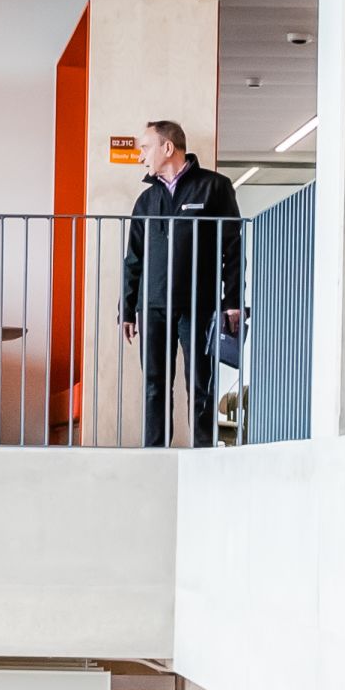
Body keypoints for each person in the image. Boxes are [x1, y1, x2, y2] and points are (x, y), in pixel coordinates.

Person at [116, 119, 243, 449]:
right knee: (154, 384)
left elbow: (233, 247)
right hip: (153, 305)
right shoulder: (145, 201)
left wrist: (231, 300)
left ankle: (203, 454)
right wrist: (127, 309)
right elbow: (134, 259)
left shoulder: (215, 188)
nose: (141, 155)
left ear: (167, 147)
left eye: (145, 147)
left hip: (198, 304)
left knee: (201, 383)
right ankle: (155, 452)